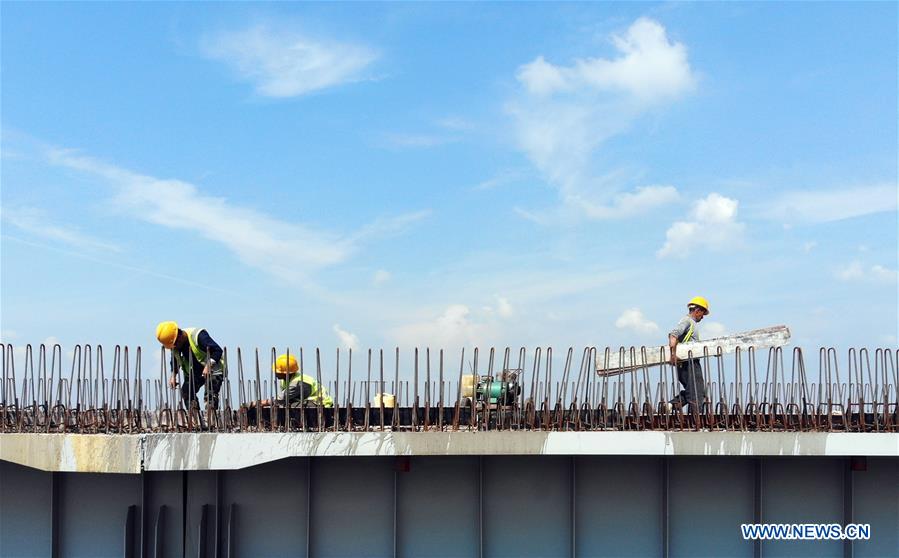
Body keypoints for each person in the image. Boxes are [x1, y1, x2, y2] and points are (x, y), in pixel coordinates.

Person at [156, 321, 225, 409]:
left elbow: (217, 350)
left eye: (175, 344)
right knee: (186, 391)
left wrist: (208, 365)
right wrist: (173, 375)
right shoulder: (175, 346)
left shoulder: (198, 336)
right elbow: (175, 360)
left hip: (214, 369)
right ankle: (194, 415)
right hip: (195, 371)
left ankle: (211, 416)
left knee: (210, 396)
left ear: (179, 337)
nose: (174, 347)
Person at [668, 297, 709, 413]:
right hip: (689, 362)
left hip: (685, 363)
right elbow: (673, 335)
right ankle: (695, 420)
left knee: (696, 391)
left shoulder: (691, 323)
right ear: (697, 310)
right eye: (703, 313)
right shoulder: (687, 321)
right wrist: (673, 354)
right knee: (696, 393)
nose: (703, 316)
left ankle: (672, 405)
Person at [254, 353, 333, 409]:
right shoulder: (285, 380)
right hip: (310, 402)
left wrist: (258, 403)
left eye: (278, 372)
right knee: (285, 405)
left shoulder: (297, 383)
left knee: (291, 406)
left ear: (286, 373)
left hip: (322, 405)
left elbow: (281, 399)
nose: (275, 374)